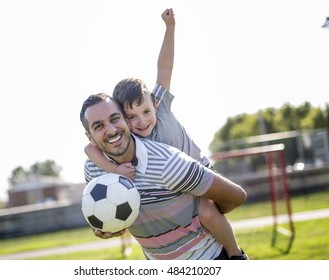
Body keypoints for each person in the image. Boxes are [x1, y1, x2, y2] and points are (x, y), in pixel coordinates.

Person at [84, 8, 247, 259]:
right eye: (131, 117)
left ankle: (236, 255)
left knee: (207, 213)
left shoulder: (159, 107)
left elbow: (164, 67)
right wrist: (114, 173)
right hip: (172, 203)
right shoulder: (125, 143)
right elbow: (89, 150)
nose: (141, 121)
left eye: (145, 112)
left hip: (199, 171)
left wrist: (170, 28)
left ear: (155, 104)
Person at [80, 92, 247, 260]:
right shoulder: (94, 171)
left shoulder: (167, 163)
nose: (111, 129)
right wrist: (104, 226)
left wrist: (203, 216)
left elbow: (236, 197)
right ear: (90, 137)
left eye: (115, 119)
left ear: (126, 120)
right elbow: (104, 209)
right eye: (98, 126)